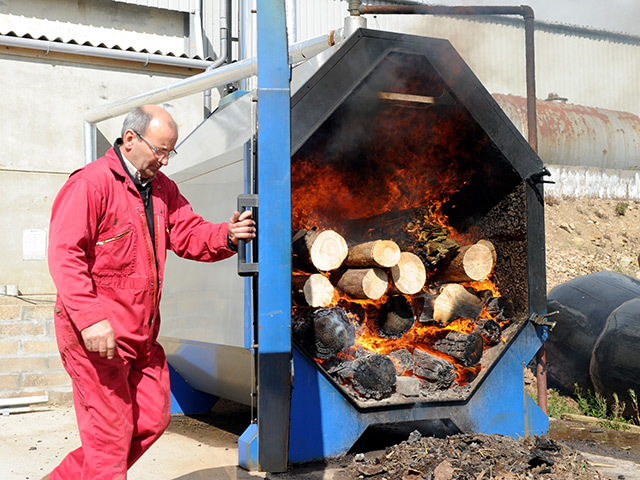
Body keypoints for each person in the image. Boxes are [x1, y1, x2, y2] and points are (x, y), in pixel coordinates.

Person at [45, 105, 255, 480]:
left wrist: (226, 234)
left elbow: (188, 233)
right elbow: (65, 256)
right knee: (108, 441)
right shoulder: (91, 184)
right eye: (160, 149)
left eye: (169, 151)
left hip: (141, 333)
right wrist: (91, 319)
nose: (165, 160)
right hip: (96, 336)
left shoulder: (161, 189)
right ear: (130, 140)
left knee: (151, 418)